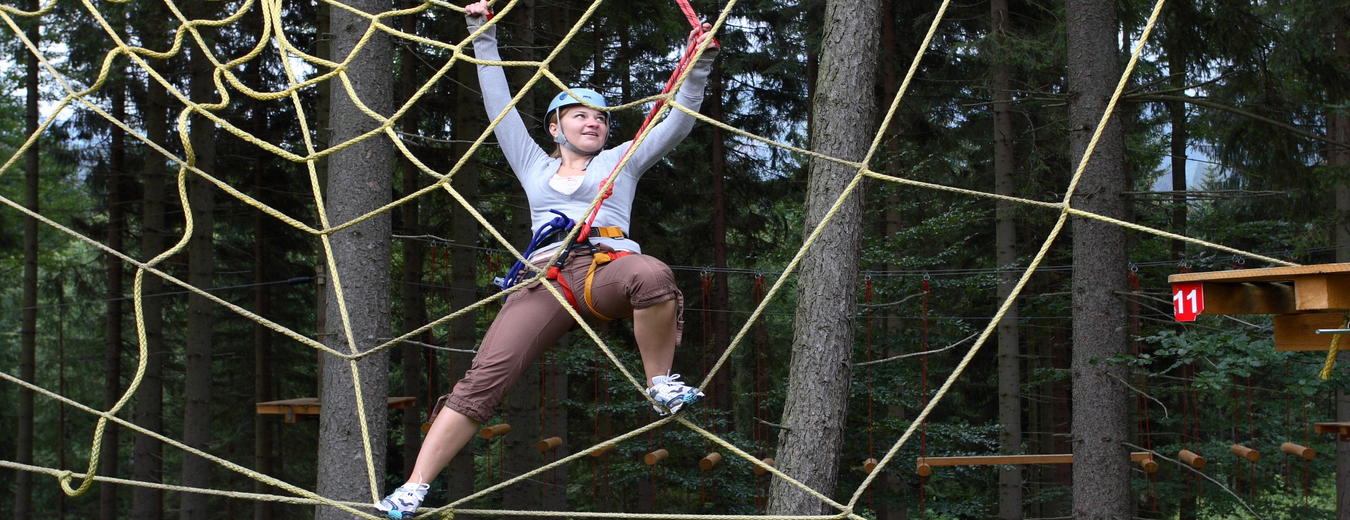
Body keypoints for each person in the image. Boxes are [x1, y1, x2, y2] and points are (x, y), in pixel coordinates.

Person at [376, 2, 719, 517]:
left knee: (652, 275)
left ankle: (659, 385)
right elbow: (499, 105)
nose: (594, 123)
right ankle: (415, 486)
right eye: (579, 115)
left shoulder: (620, 161)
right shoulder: (533, 163)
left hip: (607, 267)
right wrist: (480, 32)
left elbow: (680, 118)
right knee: (483, 380)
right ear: (556, 128)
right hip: (546, 278)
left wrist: (703, 62)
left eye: (600, 118)